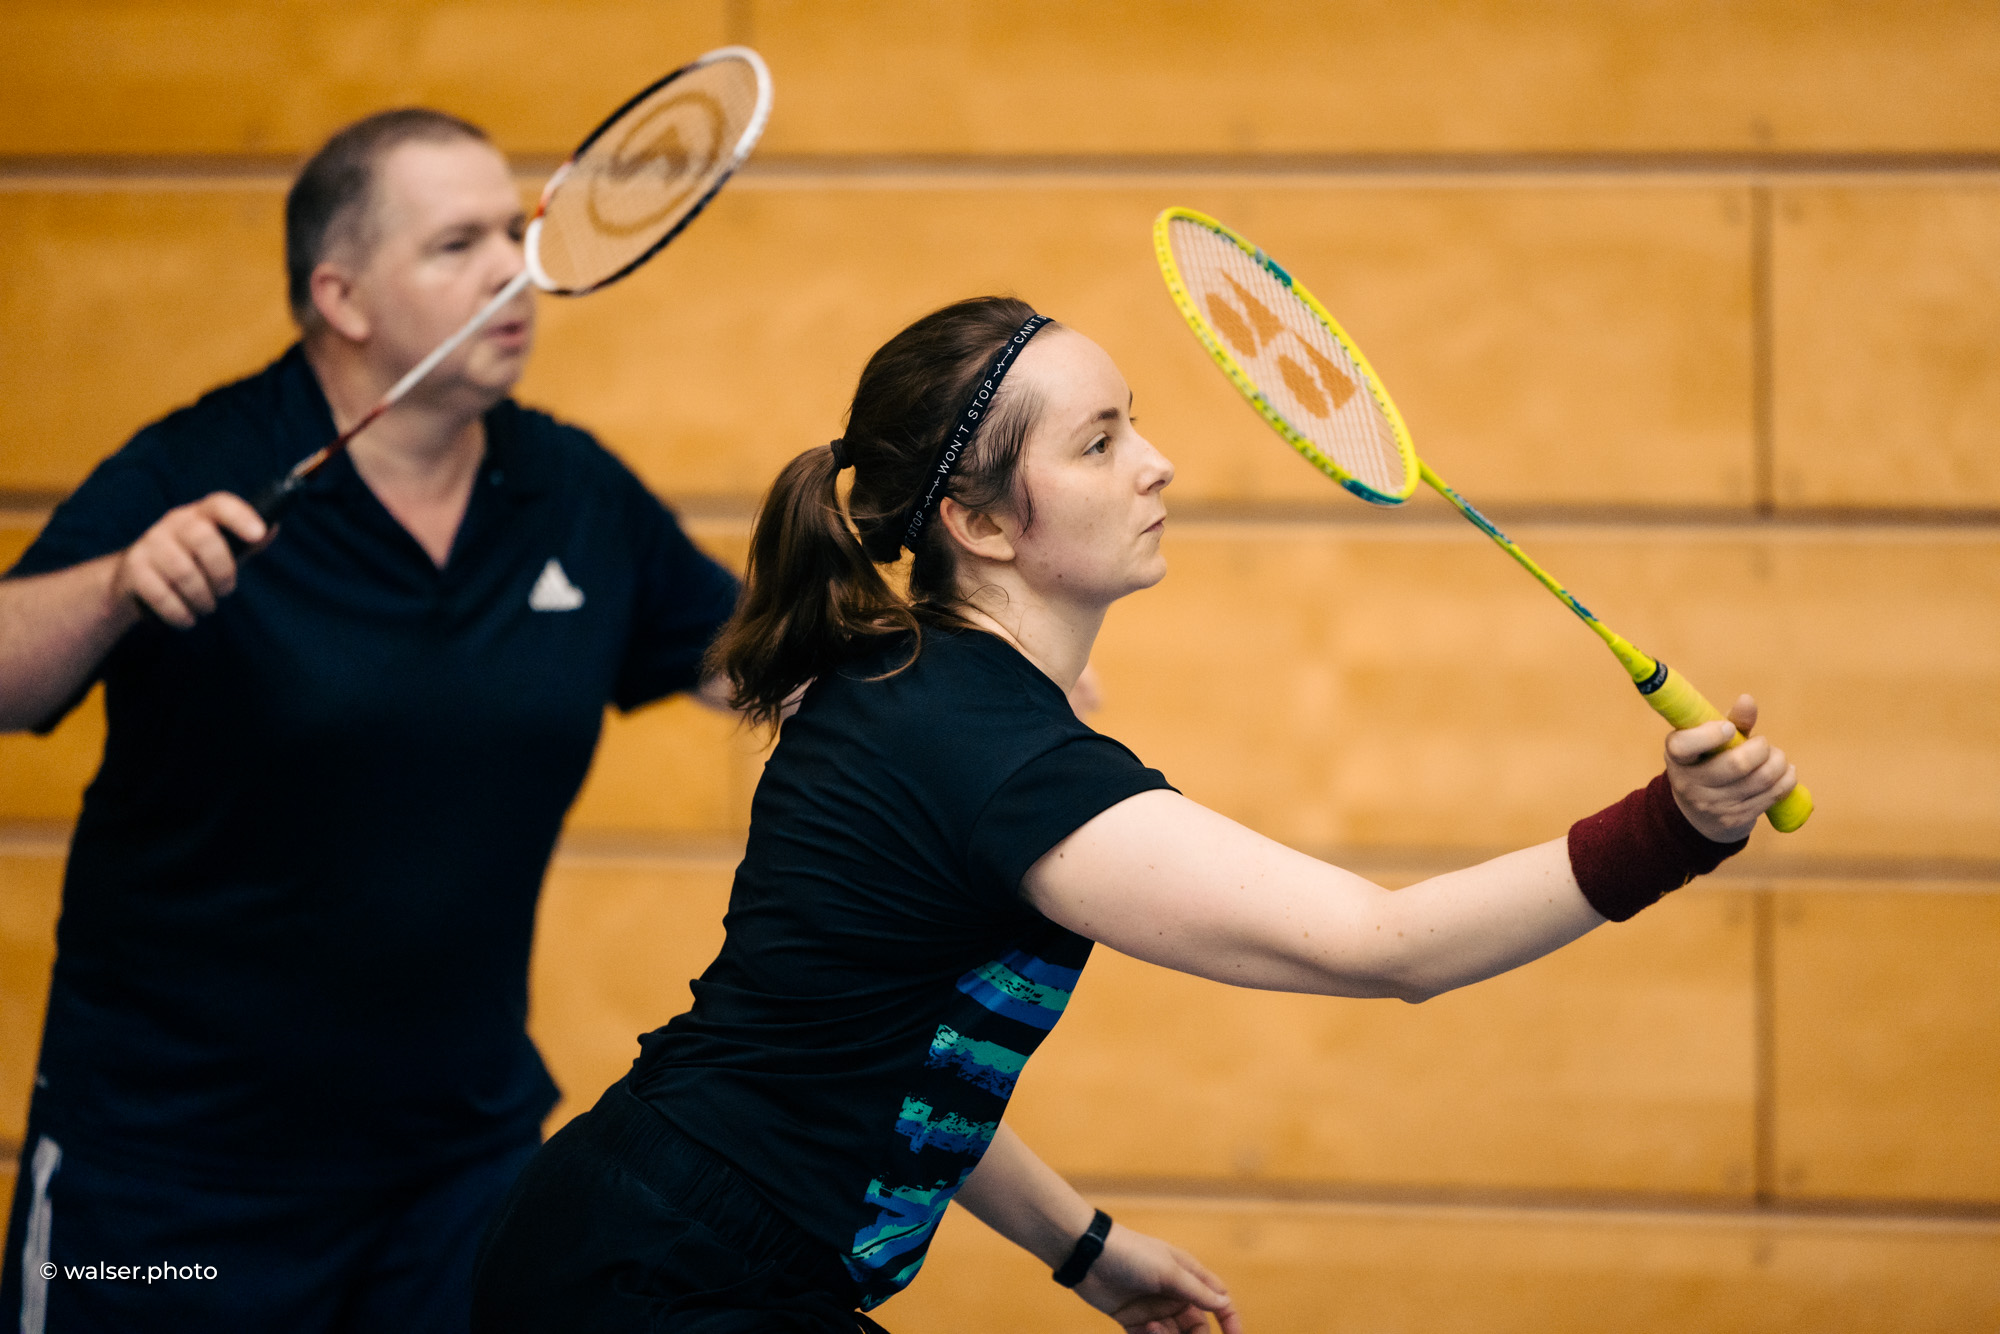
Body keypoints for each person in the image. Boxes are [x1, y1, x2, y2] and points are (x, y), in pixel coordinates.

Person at [467, 296, 1797, 1333]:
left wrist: (1086, 1248)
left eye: (1134, 424)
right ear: (981, 522)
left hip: (648, 1236)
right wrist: (1676, 828)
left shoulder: (923, 688)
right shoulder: (979, 746)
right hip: (659, 1275)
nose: (1157, 465)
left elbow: (899, 1058)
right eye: (1100, 442)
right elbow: (1386, 946)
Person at [0, 108, 740, 1333]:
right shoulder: (202, 459)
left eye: (512, 229)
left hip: (456, 1173)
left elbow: (759, 661)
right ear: (339, 296)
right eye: (457, 244)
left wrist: (955, 667)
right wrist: (119, 581)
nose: (513, 268)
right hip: (170, 1180)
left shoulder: (569, 487)